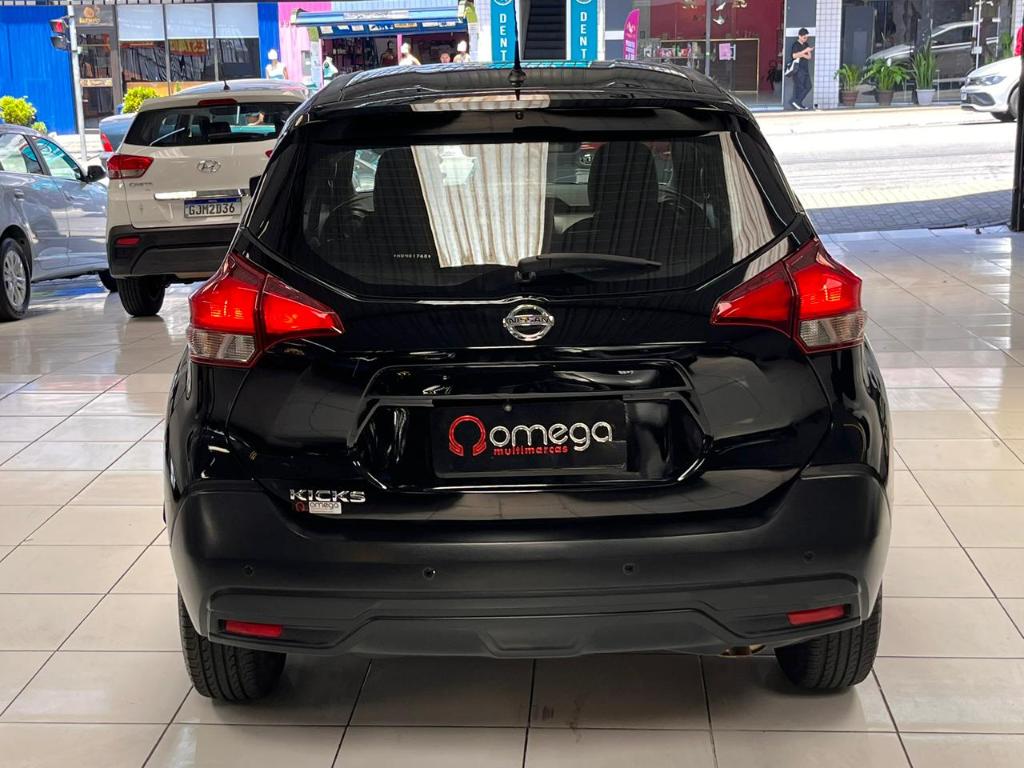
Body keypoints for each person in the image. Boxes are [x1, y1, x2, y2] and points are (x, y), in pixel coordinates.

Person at [789, 28, 813, 110]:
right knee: (800, 87)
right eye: (804, 37)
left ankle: (797, 102)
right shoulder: (796, 44)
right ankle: (797, 103)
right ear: (799, 36)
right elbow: (794, 56)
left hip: (805, 69)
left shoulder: (806, 44)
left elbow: (809, 57)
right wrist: (804, 52)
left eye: (806, 37)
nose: (805, 39)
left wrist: (802, 54)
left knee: (808, 86)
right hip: (798, 69)